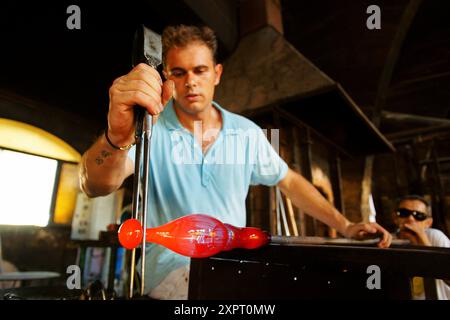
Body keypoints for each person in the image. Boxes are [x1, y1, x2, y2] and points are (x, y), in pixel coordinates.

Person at [79, 24, 392, 299]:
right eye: (178, 72)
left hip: (236, 269)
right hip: (169, 277)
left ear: (216, 73)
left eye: (199, 70)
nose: (190, 82)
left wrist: (347, 225)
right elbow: (95, 185)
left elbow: (290, 180)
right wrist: (117, 138)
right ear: (167, 77)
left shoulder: (247, 133)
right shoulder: (150, 126)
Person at [393, 194, 450, 300]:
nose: (410, 219)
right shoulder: (390, 241)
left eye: (418, 215)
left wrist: (424, 242)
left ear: (428, 222)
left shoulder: (434, 236)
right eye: (404, 213)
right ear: (395, 218)